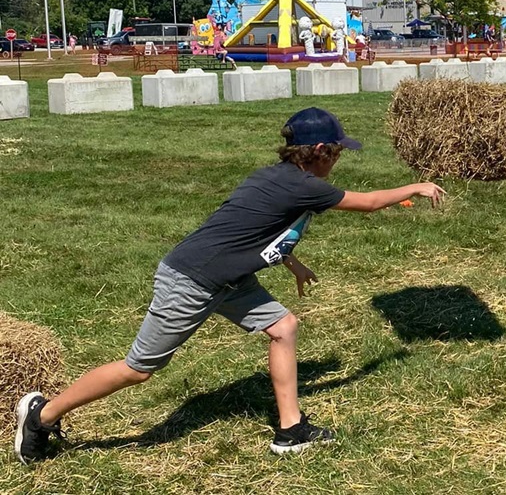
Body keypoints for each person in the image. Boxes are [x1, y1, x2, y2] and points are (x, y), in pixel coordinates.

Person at [14, 108, 447, 464]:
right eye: (336, 153)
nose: (338, 160)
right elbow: (369, 204)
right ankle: (42, 415)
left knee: (283, 327)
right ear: (318, 151)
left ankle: (292, 430)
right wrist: (417, 186)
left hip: (228, 278)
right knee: (139, 369)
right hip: (192, 280)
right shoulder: (302, 186)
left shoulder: (274, 177)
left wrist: (291, 263)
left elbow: (252, 230)